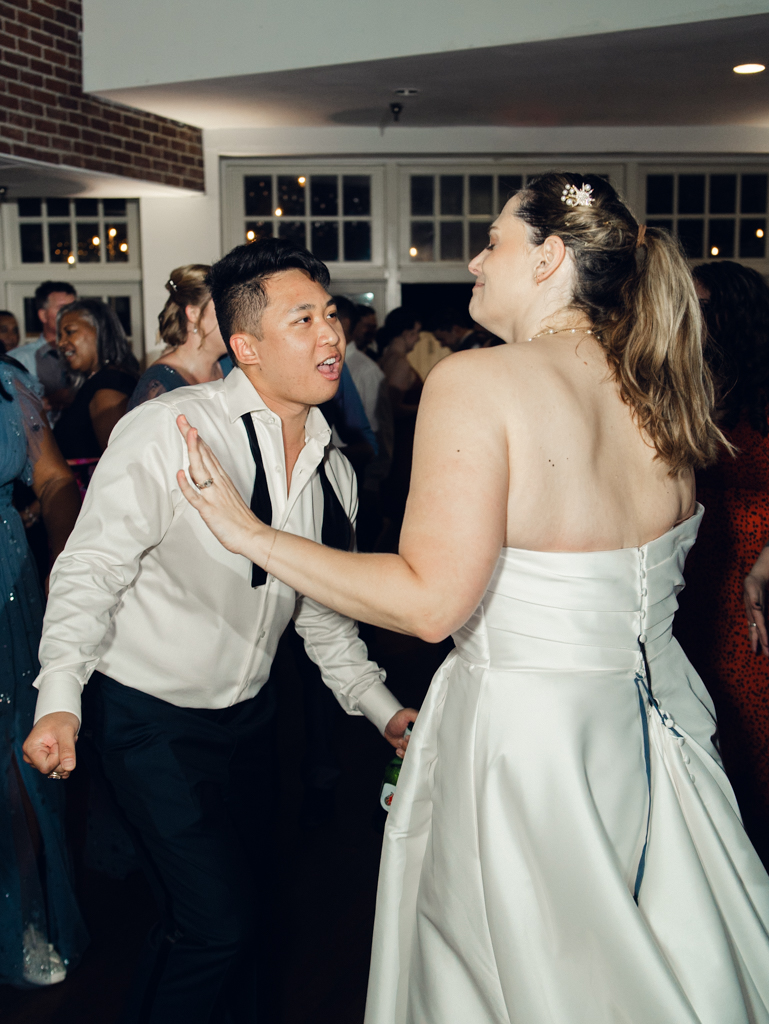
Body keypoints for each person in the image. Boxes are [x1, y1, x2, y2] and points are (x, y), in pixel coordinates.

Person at [175, 174, 769, 1023]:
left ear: (549, 257)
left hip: (524, 741)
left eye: (493, 242)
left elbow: (428, 605)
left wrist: (254, 536)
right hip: (653, 724)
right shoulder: (660, 387)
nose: (473, 258)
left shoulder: (477, 382)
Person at [22, 237, 415, 1024]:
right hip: (145, 719)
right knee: (218, 926)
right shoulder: (172, 428)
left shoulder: (332, 466)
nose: (331, 334)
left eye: (331, 314)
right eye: (301, 319)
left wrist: (385, 712)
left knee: (228, 923)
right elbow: (89, 568)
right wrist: (59, 698)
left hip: (250, 722)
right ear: (246, 346)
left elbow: (322, 615)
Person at [675, 260, 769, 866]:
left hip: (751, 572)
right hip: (687, 570)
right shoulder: (682, 384)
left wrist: (764, 562)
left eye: (701, 306)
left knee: (747, 716)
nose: (688, 317)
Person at [0, 352, 86, 987]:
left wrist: (62, 560)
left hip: (9, 587)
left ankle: (25, 919)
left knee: (16, 762)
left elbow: (55, 481)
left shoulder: (7, 382)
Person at [52, 298, 139, 474]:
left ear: (100, 332)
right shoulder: (101, 382)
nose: (61, 343)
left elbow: (118, 463)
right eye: (60, 336)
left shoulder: (108, 388)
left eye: (70, 332)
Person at [128, 264, 227, 411]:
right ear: (194, 314)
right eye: (224, 308)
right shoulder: (159, 384)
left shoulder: (231, 366)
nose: (236, 318)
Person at [378, 308, 422, 543]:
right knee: (399, 507)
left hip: (398, 438)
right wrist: (427, 407)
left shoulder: (386, 356)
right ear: (405, 333)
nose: (417, 339)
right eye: (416, 333)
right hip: (402, 439)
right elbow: (394, 408)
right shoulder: (400, 363)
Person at [12, 282, 77, 412]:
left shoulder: (83, 355)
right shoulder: (19, 359)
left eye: (74, 308)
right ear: (43, 315)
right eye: (62, 308)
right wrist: (50, 400)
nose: (71, 314)